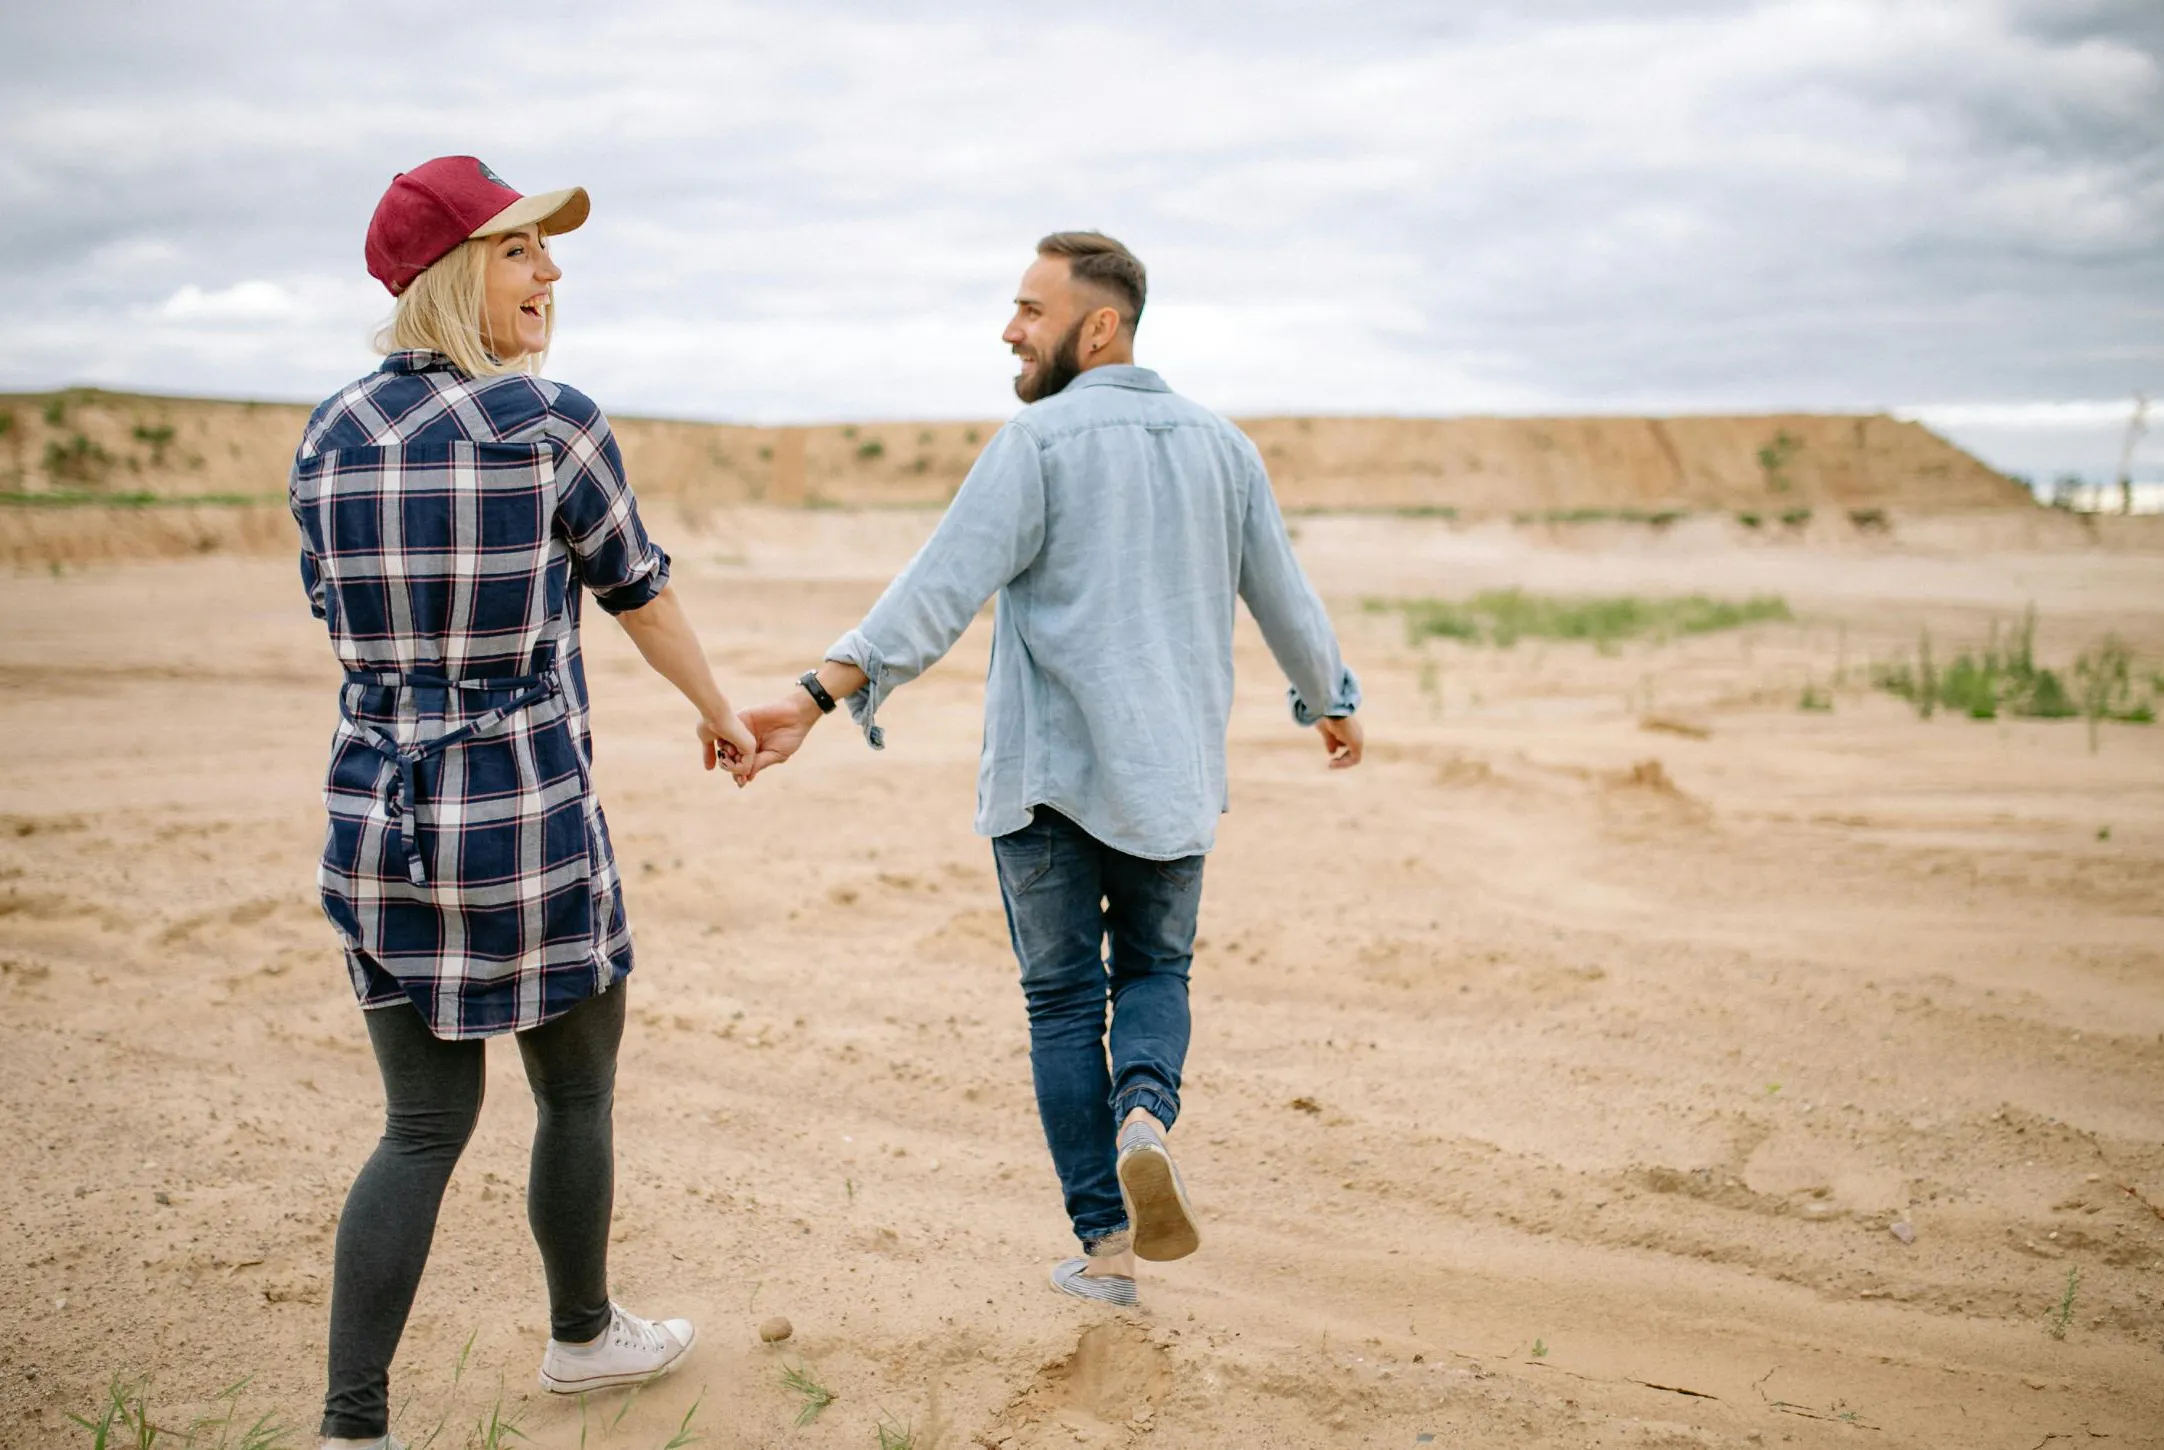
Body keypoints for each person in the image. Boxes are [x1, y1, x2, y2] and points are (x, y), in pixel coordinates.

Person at [736, 231, 1363, 1307]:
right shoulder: (1225, 449)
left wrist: (811, 696)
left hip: (1047, 783)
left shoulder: (1036, 444)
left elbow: (937, 589)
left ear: (1099, 325)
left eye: (1031, 310)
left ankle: (1107, 1250)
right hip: (1168, 778)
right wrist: (1331, 699)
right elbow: (1285, 597)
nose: (1010, 330)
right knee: (1156, 973)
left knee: (1065, 1004)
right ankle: (1144, 1117)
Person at [293, 156, 755, 1450]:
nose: (550, 271)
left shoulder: (328, 432)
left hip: (376, 813)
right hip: (524, 813)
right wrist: (719, 711)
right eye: (518, 250)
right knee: (575, 1092)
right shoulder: (551, 423)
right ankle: (582, 1336)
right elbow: (637, 589)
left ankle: (352, 1424)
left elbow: (331, 606)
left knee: (421, 1123)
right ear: (453, 274)